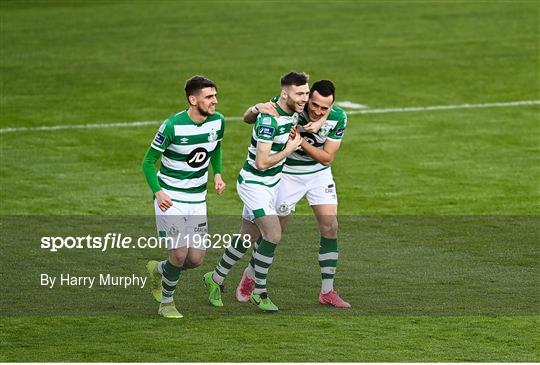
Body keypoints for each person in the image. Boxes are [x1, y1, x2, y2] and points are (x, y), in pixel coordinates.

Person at [238, 79, 351, 308]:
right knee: (275, 232)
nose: (318, 111)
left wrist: (301, 139)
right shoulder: (294, 108)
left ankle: (327, 291)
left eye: (324, 109)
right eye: (314, 105)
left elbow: (327, 157)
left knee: (331, 227)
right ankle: (251, 274)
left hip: (319, 175)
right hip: (288, 175)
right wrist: (256, 108)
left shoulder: (338, 117)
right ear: (307, 98)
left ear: (332, 106)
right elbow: (252, 118)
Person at [203, 71, 308, 312]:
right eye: (300, 93)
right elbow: (262, 162)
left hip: (272, 185)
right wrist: (291, 148)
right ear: (285, 94)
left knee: (246, 237)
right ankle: (259, 292)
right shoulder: (270, 120)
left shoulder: (284, 107)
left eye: (306, 93)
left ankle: (215, 278)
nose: (304, 98)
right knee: (273, 235)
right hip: (255, 184)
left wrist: (253, 108)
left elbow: (247, 118)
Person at [142, 75, 226, 318]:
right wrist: (158, 192)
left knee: (195, 260)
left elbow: (216, 146)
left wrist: (217, 174)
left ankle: (158, 269)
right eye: (209, 97)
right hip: (171, 198)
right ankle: (166, 303)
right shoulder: (172, 126)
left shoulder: (218, 122)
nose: (215, 101)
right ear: (193, 99)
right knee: (178, 254)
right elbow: (147, 162)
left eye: (215, 96)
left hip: (198, 200)